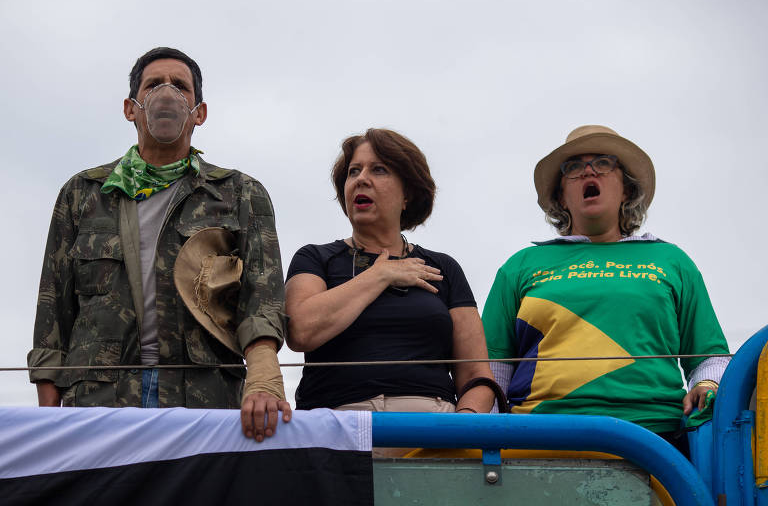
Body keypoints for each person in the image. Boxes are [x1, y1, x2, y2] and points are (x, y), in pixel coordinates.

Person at [28, 47, 289, 441]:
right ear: (131, 108)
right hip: (98, 401)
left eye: (180, 86)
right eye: (153, 84)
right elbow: (53, 311)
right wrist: (47, 424)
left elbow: (263, 296)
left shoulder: (239, 194)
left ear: (199, 112)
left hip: (205, 399)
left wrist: (265, 376)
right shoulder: (82, 194)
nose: (167, 93)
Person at [482, 125, 730, 455]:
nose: (588, 170)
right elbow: (492, 368)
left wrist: (706, 384)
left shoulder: (672, 260)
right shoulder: (522, 264)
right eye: (573, 167)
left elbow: (709, 356)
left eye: (603, 162)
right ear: (561, 197)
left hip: (653, 442)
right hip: (536, 440)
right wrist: (488, 445)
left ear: (627, 190)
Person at [285, 128, 497, 416]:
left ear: (407, 194)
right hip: (337, 426)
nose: (361, 179)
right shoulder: (315, 258)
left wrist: (462, 425)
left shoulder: (444, 268)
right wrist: (380, 274)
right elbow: (300, 331)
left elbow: (476, 375)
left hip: (434, 429)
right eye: (353, 171)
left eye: (379, 170)